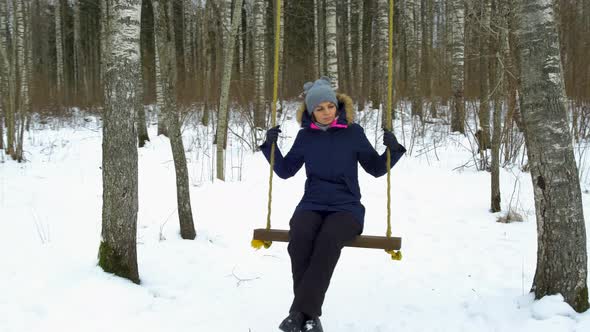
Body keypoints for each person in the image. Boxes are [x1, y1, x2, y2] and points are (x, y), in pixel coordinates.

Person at [259, 77, 406, 332]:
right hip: (312, 203)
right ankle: (309, 317)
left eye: (330, 106)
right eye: (319, 108)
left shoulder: (353, 133)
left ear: (337, 105)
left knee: (327, 242)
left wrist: (393, 151)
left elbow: (375, 168)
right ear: (310, 112)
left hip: (346, 207)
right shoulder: (306, 138)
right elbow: (285, 170)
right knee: (300, 239)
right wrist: (269, 147)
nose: (326, 112)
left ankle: (299, 314)